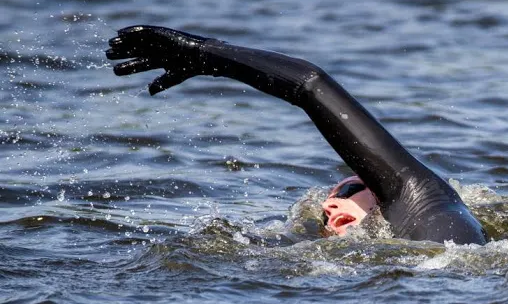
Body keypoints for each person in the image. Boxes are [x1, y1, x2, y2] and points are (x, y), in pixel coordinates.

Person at [106, 25, 488, 245]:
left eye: (368, 178)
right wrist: (208, 53)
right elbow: (310, 84)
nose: (376, 175)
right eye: (369, 180)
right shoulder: (431, 206)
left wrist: (209, 54)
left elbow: (309, 86)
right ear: (338, 217)